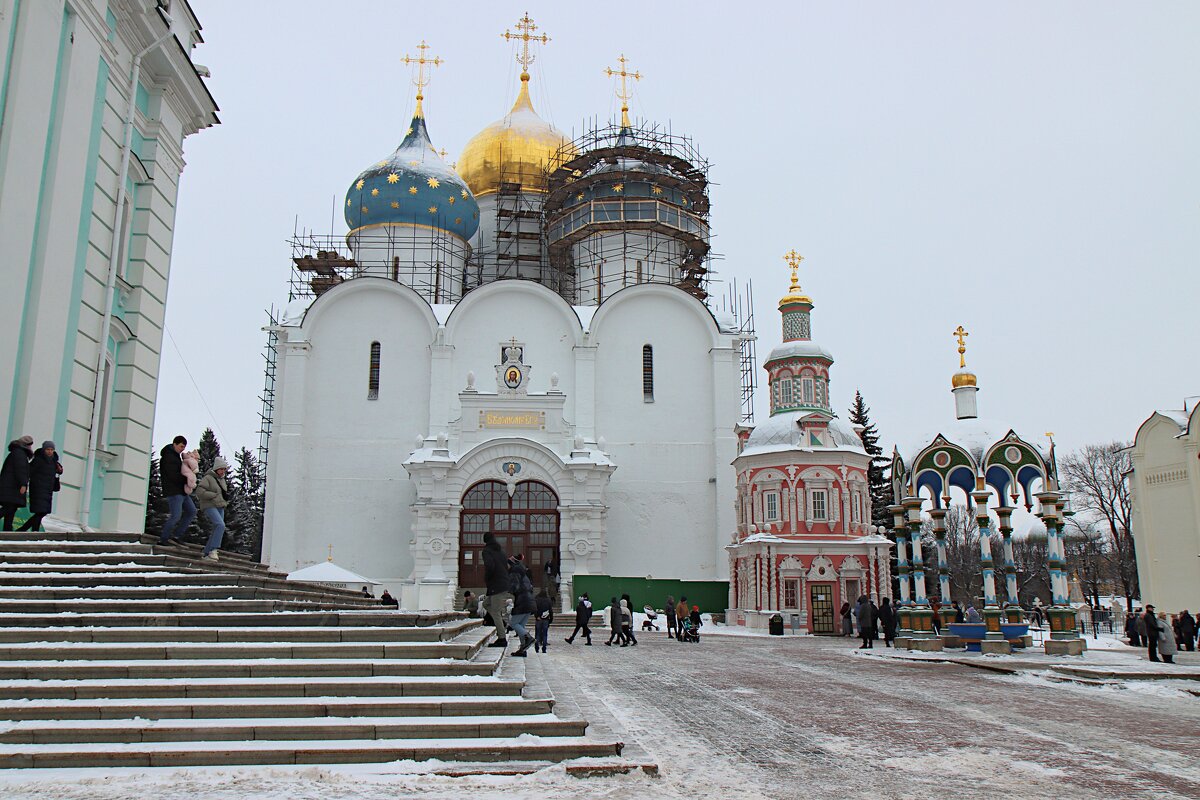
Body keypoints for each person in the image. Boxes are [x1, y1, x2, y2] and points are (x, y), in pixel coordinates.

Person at [158, 436, 197, 545]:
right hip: (173, 490)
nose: (182, 449)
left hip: (181, 490)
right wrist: (187, 479)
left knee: (191, 511)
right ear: (174, 444)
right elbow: (172, 475)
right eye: (181, 446)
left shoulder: (176, 456)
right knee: (176, 515)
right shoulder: (168, 457)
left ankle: (177, 535)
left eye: (184, 447)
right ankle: (164, 538)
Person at [193, 456, 230, 560]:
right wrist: (213, 495)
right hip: (209, 505)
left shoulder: (222, 480)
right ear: (216, 469)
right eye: (221, 469)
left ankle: (207, 552)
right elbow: (199, 492)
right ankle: (213, 549)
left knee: (217, 528)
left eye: (224, 469)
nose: (223, 471)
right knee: (220, 525)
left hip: (220, 506)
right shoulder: (208, 478)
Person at [481, 533, 511, 647]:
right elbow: (505, 566)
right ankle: (502, 624)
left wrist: (487, 578)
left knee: (496, 612)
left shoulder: (487, 551)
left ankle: (502, 639)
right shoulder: (501, 551)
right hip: (502, 583)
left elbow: (490, 566)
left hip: (496, 584)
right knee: (486, 604)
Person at [0, 435, 34, 531]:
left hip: (9, 487)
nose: (31, 448)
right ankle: (7, 530)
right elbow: (21, 470)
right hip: (13, 487)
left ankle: (7, 531)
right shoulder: (20, 454)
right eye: (30, 445)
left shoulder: (16, 453)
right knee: (9, 508)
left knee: (11, 509)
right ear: (25, 445)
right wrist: (23, 484)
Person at [509, 557, 536, 657]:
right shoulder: (524, 574)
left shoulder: (514, 572)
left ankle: (528, 638)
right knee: (520, 625)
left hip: (522, 601)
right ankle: (522, 649)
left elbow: (513, 587)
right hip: (529, 601)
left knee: (513, 623)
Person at [534, 588, 553, 653]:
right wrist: (551, 619)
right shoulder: (548, 600)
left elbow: (535, 609)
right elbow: (550, 610)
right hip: (546, 619)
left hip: (539, 619)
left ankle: (537, 647)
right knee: (545, 634)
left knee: (537, 634)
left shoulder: (537, 600)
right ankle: (544, 648)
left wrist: (536, 616)